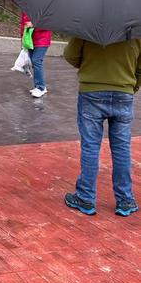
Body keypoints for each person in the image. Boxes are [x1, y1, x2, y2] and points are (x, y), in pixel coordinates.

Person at [63, 37, 140, 217]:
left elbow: (70, 56)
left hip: (91, 92)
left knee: (90, 146)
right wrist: (131, 87)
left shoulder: (87, 26)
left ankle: (85, 197)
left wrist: (90, 64)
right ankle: (125, 199)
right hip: (124, 93)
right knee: (122, 149)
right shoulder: (135, 27)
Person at [21, 11, 51, 98]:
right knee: (34, 62)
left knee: (36, 61)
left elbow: (49, 23)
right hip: (30, 40)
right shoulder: (26, 8)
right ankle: (40, 86)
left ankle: (40, 88)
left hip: (42, 39)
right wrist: (23, 40)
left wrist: (34, 24)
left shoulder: (45, 8)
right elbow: (23, 25)